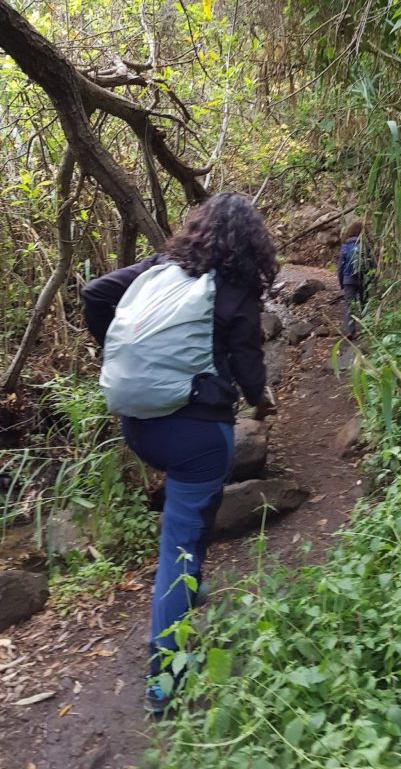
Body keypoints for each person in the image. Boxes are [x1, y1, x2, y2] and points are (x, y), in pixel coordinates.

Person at [82, 193, 277, 714]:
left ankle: (185, 594)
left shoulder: (160, 269)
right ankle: (162, 685)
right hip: (196, 434)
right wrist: (261, 400)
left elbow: (95, 293)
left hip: (139, 426)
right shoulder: (234, 287)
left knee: (188, 530)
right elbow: (250, 368)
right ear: (250, 242)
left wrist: (120, 348)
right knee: (182, 545)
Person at [337, 220, 373, 339]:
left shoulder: (345, 246)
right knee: (364, 303)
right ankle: (367, 328)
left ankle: (350, 331)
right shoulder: (365, 246)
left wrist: (342, 282)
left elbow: (340, 266)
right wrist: (372, 279)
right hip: (363, 279)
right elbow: (372, 263)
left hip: (349, 280)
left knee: (349, 305)